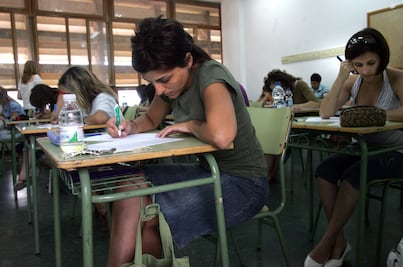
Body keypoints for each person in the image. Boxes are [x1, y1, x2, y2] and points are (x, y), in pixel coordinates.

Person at [105, 16, 268, 266]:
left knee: (151, 220)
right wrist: (130, 127)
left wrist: (191, 125)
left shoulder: (211, 75)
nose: (158, 90)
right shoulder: (172, 85)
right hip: (210, 172)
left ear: (188, 60)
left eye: (164, 80)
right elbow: (150, 119)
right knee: (129, 185)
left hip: (244, 184)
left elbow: (222, 136)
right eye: (151, 82)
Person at [305, 28, 403, 267]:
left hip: (400, 152)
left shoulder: (398, 78)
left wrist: (374, 115)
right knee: (324, 171)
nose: (366, 70)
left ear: (382, 58)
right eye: (358, 64)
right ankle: (340, 241)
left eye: (371, 63)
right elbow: (326, 112)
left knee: (354, 176)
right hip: (365, 147)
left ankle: (327, 242)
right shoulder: (354, 81)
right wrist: (341, 77)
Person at [58, 66, 122, 231]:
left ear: (78, 89)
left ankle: (103, 207)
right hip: (101, 149)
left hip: (117, 149)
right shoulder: (87, 103)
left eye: (68, 93)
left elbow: (101, 117)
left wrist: (76, 118)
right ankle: (100, 205)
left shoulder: (102, 97)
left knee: (75, 167)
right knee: (70, 164)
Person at [0, 87, 28, 190]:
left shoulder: (12, 105)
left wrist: (3, 118)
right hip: (12, 130)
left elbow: (13, 121)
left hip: (19, 131)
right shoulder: (5, 106)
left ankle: (23, 176)